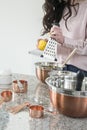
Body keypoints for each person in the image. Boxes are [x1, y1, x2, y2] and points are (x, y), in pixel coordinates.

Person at [42, 0, 87, 77]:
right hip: (59, 69)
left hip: (80, 74)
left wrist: (64, 40)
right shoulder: (63, 6)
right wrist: (46, 42)